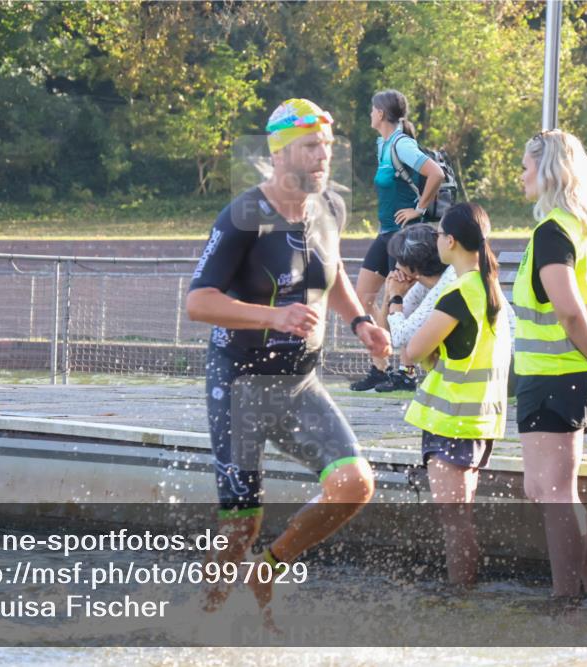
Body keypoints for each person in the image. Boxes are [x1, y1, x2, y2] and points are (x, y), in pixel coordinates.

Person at [186, 99, 392, 624]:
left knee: (354, 484)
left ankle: (269, 568)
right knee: (240, 525)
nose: (322, 157)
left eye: (326, 146)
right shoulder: (242, 217)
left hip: (300, 385)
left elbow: (335, 269)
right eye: (309, 147)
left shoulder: (330, 209)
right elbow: (198, 302)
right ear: (279, 156)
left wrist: (359, 322)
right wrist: (271, 318)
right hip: (241, 388)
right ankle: (199, 626)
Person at [514, 129, 587, 598]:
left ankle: (567, 603)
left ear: (548, 171)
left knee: (554, 492)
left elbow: (568, 308)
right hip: (575, 376)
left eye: (525, 166)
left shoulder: (553, 230)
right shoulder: (586, 229)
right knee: (553, 489)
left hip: (555, 377)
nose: (520, 175)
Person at [400, 203, 512, 586]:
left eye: (439, 234)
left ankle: (460, 596)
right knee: (460, 517)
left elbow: (411, 350)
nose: (435, 240)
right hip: (480, 418)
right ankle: (466, 593)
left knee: (454, 522)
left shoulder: (460, 292)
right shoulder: (489, 285)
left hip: (452, 420)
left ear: (451, 241)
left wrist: (395, 305)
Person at [350, 89, 445, 391]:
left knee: (399, 296)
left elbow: (436, 174)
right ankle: (380, 367)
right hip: (385, 232)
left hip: (404, 236)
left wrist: (418, 209)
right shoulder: (383, 144)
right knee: (363, 296)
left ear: (380, 113)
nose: (369, 114)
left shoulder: (402, 145)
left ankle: (406, 371)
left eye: (371, 109)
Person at [378, 225, 457, 391]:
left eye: (399, 260)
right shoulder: (426, 283)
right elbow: (386, 332)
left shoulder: (447, 284)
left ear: (412, 265)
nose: (396, 266)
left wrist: (396, 297)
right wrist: (389, 294)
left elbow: (401, 337)